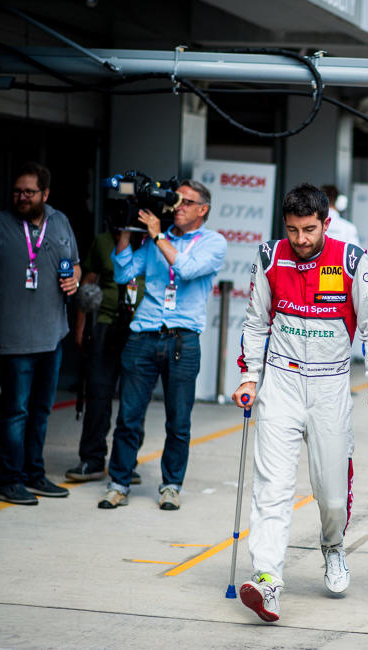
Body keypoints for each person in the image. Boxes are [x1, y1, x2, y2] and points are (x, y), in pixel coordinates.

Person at [231, 183, 368, 623]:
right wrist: (250, 378)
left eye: (309, 229)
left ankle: (333, 546)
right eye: (293, 230)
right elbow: (255, 323)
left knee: (331, 495)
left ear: (326, 222)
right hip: (281, 383)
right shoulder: (268, 257)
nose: (301, 240)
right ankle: (267, 580)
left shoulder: (352, 260)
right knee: (272, 488)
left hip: (330, 386)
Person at [98, 180, 226, 510]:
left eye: (185, 202)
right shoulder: (157, 239)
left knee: (178, 420)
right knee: (128, 416)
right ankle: (118, 482)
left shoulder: (213, 243)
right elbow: (123, 272)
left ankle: (170, 485)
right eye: (175, 201)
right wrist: (125, 230)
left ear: (203, 209)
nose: (177, 207)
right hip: (143, 335)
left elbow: (185, 269)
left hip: (183, 340)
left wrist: (156, 235)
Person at [0, 162, 80, 505]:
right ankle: (10, 480)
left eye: (29, 192)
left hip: (52, 335)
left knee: (41, 410)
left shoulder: (60, 222)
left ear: (45, 194)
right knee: (15, 411)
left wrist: (74, 275)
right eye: (17, 191)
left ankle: (34, 473)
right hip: (13, 339)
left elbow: (73, 262)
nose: (21, 197)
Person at [65, 231, 145, 482]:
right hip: (105, 324)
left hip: (143, 328)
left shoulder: (160, 240)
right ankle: (92, 459)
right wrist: (80, 328)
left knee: (134, 401)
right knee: (98, 394)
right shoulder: (104, 240)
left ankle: (126, 463)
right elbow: (87, 283)